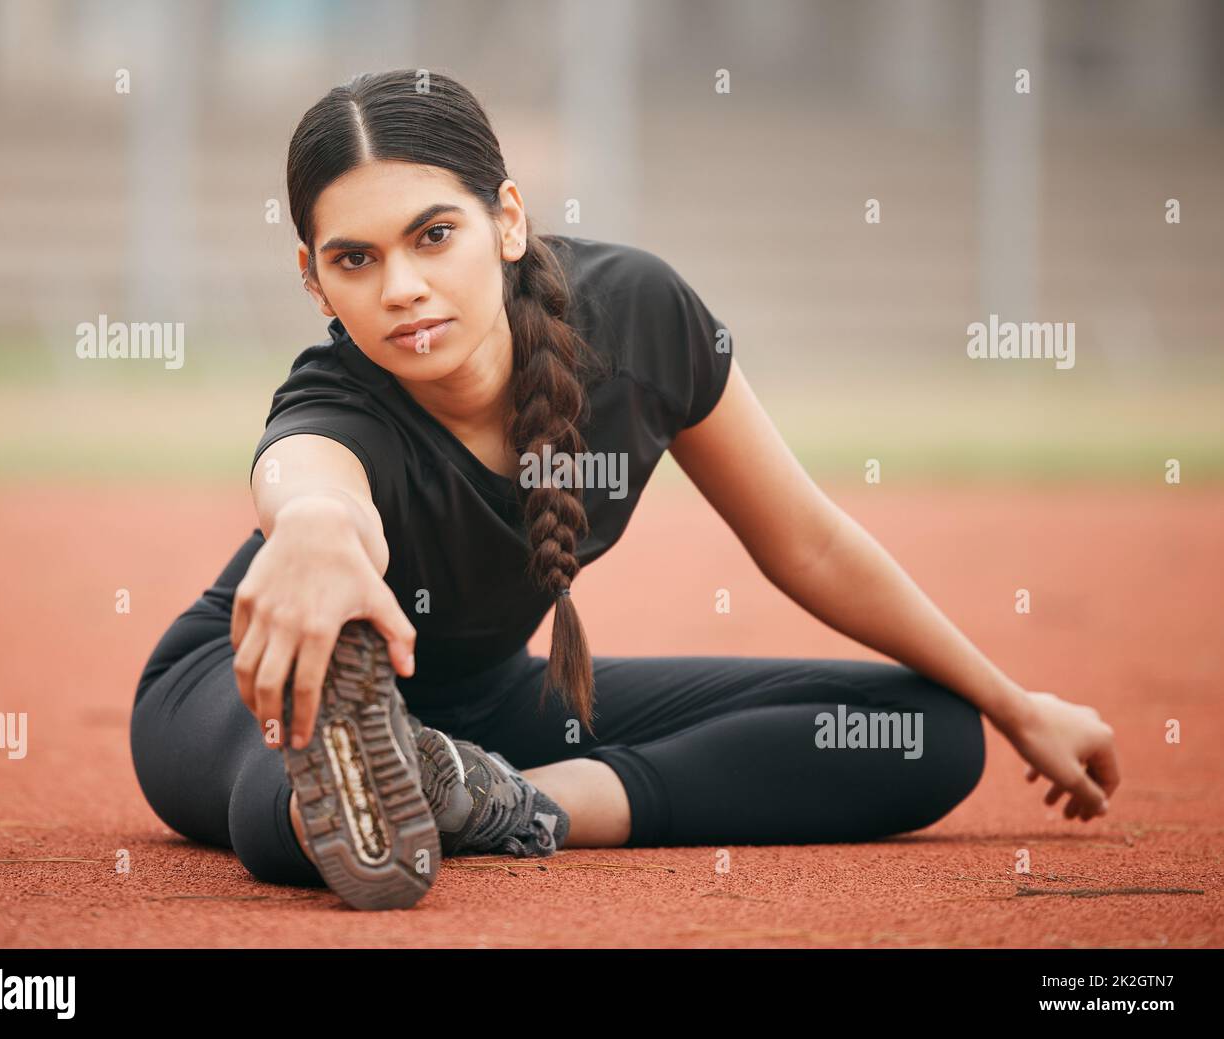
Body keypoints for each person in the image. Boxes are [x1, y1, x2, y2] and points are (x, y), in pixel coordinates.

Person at [130, 69, 1121, 911]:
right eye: (356, 259)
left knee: (928, 735)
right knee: (296, 812)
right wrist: (308, 529)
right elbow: (310, 477)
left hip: (483, 709)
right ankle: (380, 791)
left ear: (505, 221)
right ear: (315, 281)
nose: (399, 288)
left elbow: (806, 542)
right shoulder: (336, 394)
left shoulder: (639, 315)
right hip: (240, 701)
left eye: (432, 235)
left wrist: (1012, 701)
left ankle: (511, 799)